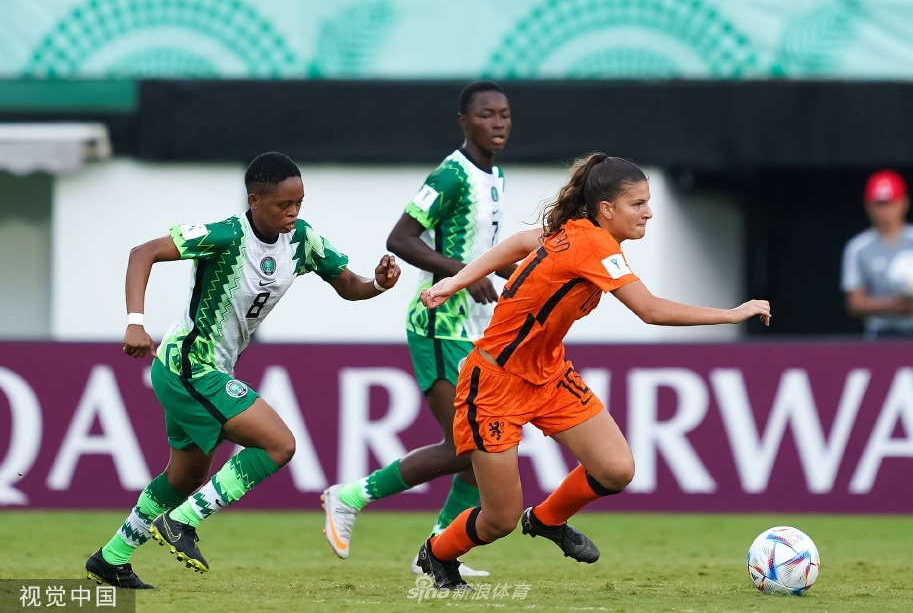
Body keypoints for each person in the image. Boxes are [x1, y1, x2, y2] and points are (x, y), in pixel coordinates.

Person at [413, 153, 771, 590]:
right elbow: (651, 311)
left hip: (548, 375)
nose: (649, 212)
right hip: (495, 384)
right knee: (499, 519)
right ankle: (437, 554)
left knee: (616, 469)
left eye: (648, 201)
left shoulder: (580, 232)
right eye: (637, 204)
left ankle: (546, 520)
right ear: (607, 209)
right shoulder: (593, 244)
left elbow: (522, 242)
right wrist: (732, 315)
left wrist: (454, 282)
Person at [84, 152, 401, 589]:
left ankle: (112, 557)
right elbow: (143, 253)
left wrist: (378, 284)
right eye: (283, 205)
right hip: (188, 367)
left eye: (299, 203)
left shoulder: (302, 238)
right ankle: (182, 522)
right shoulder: (225, 235)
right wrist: (135, 322)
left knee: (185, 476)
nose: (293, 212)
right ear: (254, 201)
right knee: (279, 445)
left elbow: (348, 285)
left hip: (206, 370)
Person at [322, 81, 514, 577]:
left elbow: (486, 254)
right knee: (463, 446)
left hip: (474, 329)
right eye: (487, 115)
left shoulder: (496, 176)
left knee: (480, 453)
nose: (498, 123)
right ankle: (349, 497)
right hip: (437, 323)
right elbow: (400, 238)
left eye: (505, 115)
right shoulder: (451, 175)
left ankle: (434, 553)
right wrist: (461, 274)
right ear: (464, 121)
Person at [841, 170, 913, 339]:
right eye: (879, 203)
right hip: (881, 334)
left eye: (890, 202)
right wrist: (894, 306)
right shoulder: (857, 247)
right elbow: (854, 303)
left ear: (904, 203)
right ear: (868, 205)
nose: (885, 211)